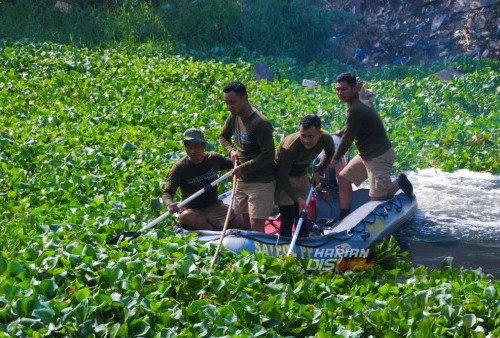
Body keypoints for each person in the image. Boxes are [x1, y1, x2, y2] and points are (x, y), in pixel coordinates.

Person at [330, 72, 413, 220]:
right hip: (365, 155)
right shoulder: (360, 100)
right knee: (343, 179)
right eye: (337, 89)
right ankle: (344, 216)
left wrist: (335, 158)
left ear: (354, 88)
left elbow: (348, 139)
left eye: (343, 89)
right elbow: (354, 126)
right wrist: (341, 131)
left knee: (377, 201)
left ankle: (400, 181)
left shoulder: (356, 108)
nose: (339, 93)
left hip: (379, 156)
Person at [162, 128, 248, 231]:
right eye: (189, 147)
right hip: (194, 211)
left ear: (204, 146)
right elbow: (167, 192)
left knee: (244, 225)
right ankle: (214, 233)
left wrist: (238, 166)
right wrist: (169, 204)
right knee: (186, 216)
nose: (192, 151)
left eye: (196, 147)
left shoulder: (214, 159)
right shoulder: (180, 167)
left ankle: (220, 228)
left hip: (216, 207)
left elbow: (235, 165)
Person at [219, 81, 276, 232]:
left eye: (232, 102)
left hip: (261, 181)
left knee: (256, 225)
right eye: (226, 103)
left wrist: (243, 168)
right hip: (242, 179)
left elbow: (269, 155)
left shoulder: (260, 123)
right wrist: (231, 150)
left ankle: (261, 253)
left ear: (244, 99)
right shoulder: (233, 116)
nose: (229, 106)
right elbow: (223, 136)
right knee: (245, 222)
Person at [275, 114, 334, 238]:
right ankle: (281, 249)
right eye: (303, 135)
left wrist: (319, 171)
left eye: (311, 136)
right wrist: (297, 198)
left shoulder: (326, 139)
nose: (306, 140)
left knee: (302, 215)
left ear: (320, 133)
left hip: (301, 175)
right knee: (288, 218)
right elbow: (282, 176)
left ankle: (302, 245)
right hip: (283, 177)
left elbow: (330, 152)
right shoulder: (290, 148)